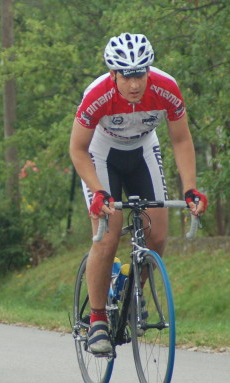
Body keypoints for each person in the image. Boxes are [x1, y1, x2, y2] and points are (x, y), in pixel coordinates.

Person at [69, 33, 208, 354]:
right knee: (108, 235)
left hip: (143, 149)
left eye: (140, 75)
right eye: (126, 76)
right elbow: (77, 149)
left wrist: (190, 188)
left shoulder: (166, 88)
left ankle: (134, 293)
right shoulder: (97, 95)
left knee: (157, 235)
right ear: (113, 74)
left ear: (148, 71)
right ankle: (98, 319)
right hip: (101, 153)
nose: (134, 84)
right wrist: (98, 191)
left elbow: (181, 140)